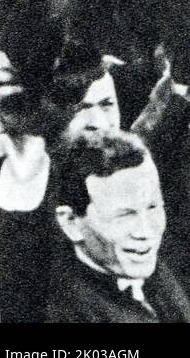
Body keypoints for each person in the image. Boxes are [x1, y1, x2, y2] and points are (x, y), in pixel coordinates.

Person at [48, 131, 190, 322]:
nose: (146, 231)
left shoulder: (157, 268)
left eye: (153, 207)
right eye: (124, 216)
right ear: (70, 222)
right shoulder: (59, 311)